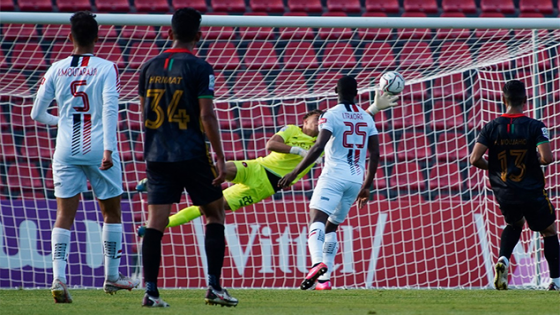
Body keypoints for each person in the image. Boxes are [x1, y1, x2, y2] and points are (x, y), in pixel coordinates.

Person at [30, 11, 139, 303]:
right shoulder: (107, 68)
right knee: (111, 213)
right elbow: (110, 110)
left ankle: (58, 278)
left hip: (65, 149)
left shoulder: (55, 68)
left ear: (70, 37)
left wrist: (63, 121)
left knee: (64, 215)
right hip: (98, 147)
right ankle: (113, 277)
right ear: (97, 38)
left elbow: (36, 113)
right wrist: (108, 149)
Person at [138, 8, 238, 307]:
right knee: (214, 213)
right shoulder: (200, 67)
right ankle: (215, 288)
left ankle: (151, 292)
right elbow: (207, 115)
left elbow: (145, 113)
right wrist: (220, 156)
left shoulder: (148, 67)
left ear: (168, 33)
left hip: (157, 154)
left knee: (155, 221)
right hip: (191, 152)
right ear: (198, 35)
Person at [136, 109, 323, 234]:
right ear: (305, 120)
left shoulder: (321, 144)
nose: (319, 124)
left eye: (322, 122)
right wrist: (297, 150)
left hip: (264, 187)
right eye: (316, 120)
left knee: (208, 207)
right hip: (257, 167)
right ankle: (157, 182)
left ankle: (157, 226)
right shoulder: (290, 130)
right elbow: (271, 144)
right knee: (219, 170)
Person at [278, 76, 382, 290]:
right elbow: (375, 154)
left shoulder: (330, 115)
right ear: (356, 92)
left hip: (334, 175)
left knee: (317, 218)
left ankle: (317, 263)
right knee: (332, 226)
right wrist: (367, 185)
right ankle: (324, 281)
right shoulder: (367, 118)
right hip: (355, 180)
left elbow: (318, 147)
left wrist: (295, 173)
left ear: (336, 90)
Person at [470, 80, 559, 291]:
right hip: (531, 190)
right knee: (548, 231)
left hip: (505, 190)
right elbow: (547, 158)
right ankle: (555, 281)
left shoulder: (491, 127)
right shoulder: (535, 126)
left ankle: (503, 259)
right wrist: (529, 159)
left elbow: (474, 159)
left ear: (503, 99)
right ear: (525, 101)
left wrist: (496, 167)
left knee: (514, 224)